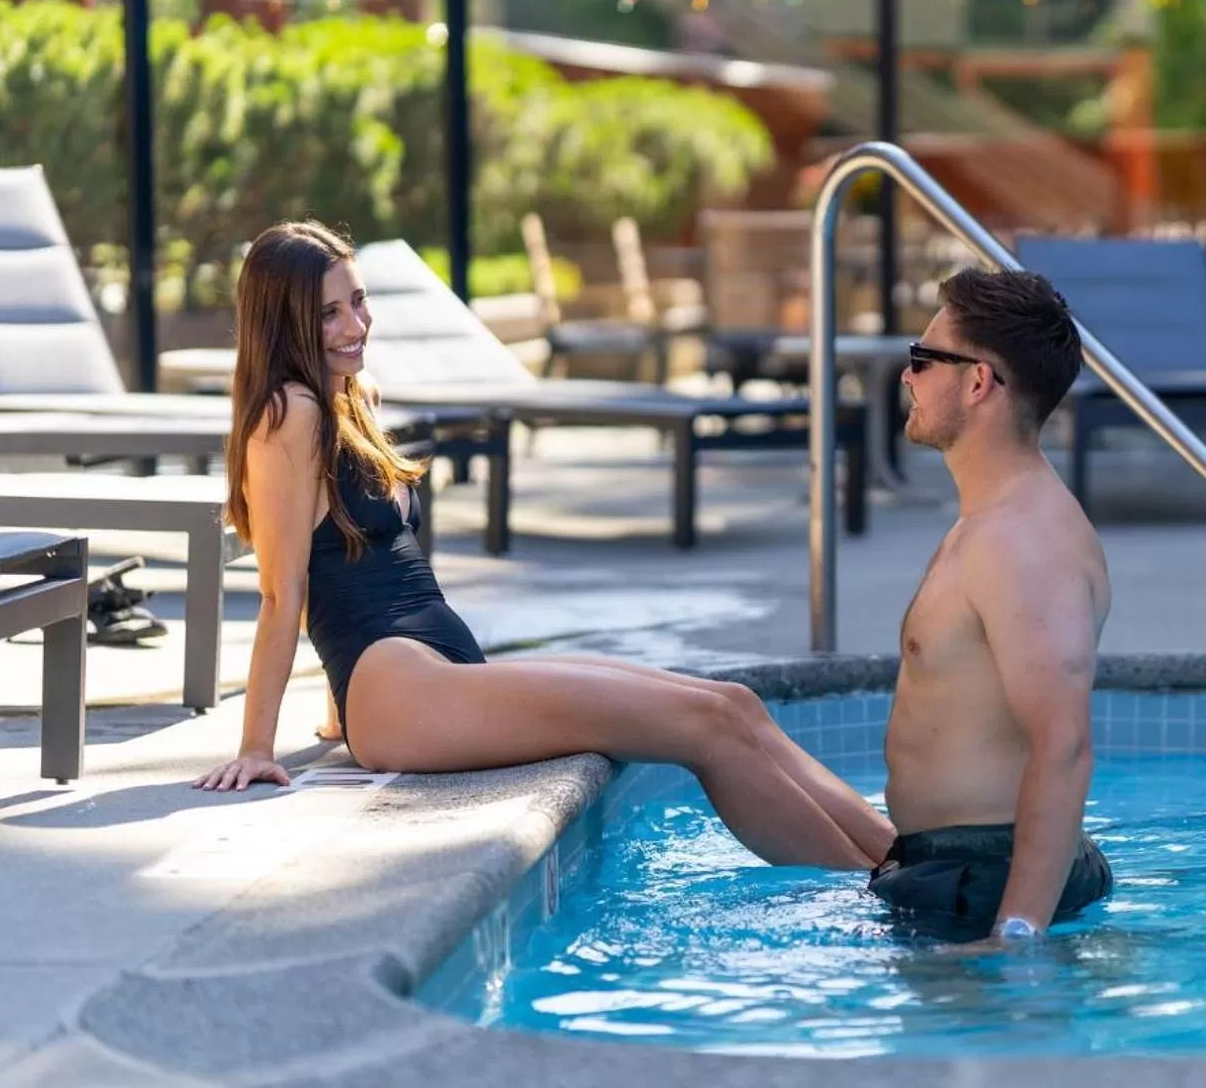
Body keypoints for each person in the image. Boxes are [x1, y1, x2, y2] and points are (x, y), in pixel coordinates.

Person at [194, 220, 894, 874]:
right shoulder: (289, 414)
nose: (356, 325)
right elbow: (285, 590)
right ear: (283, 323)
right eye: (328, 314)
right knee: (703, 724)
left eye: (358, 301)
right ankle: (881, 889)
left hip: (425, 667)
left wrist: (332, 704)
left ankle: (904, 855)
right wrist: (257, 745)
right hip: (397, 683)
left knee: (734, 702)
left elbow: (347, 549)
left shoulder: (350, 396)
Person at [869, 269, 1114, 944]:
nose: (906, 377)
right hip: (952, 872)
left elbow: (1063, 742)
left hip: (984, 884)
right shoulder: (991, 522)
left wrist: (1017, 932)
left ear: (978, 382)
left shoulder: (1022, 541)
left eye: (922, 359)